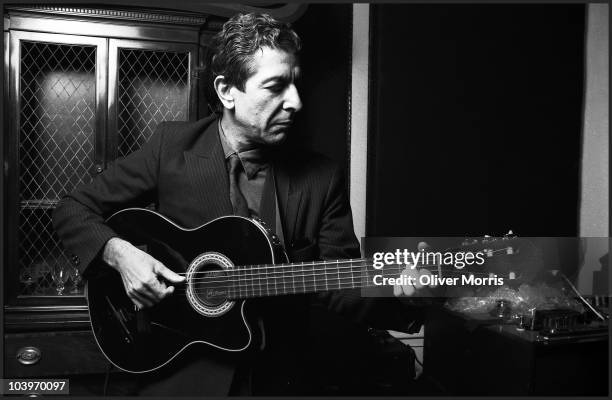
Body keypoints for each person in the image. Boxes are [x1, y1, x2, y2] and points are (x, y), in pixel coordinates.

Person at [53, 12, 433, 396]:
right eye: (275, 86)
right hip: (179, 366)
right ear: (226, 91)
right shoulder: (172, 148)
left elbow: (340, 282)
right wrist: (121, 255)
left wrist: (403, 294)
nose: (295, 102)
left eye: (296, 85)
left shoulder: (321, 177)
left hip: (282, 376)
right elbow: (73, 208)